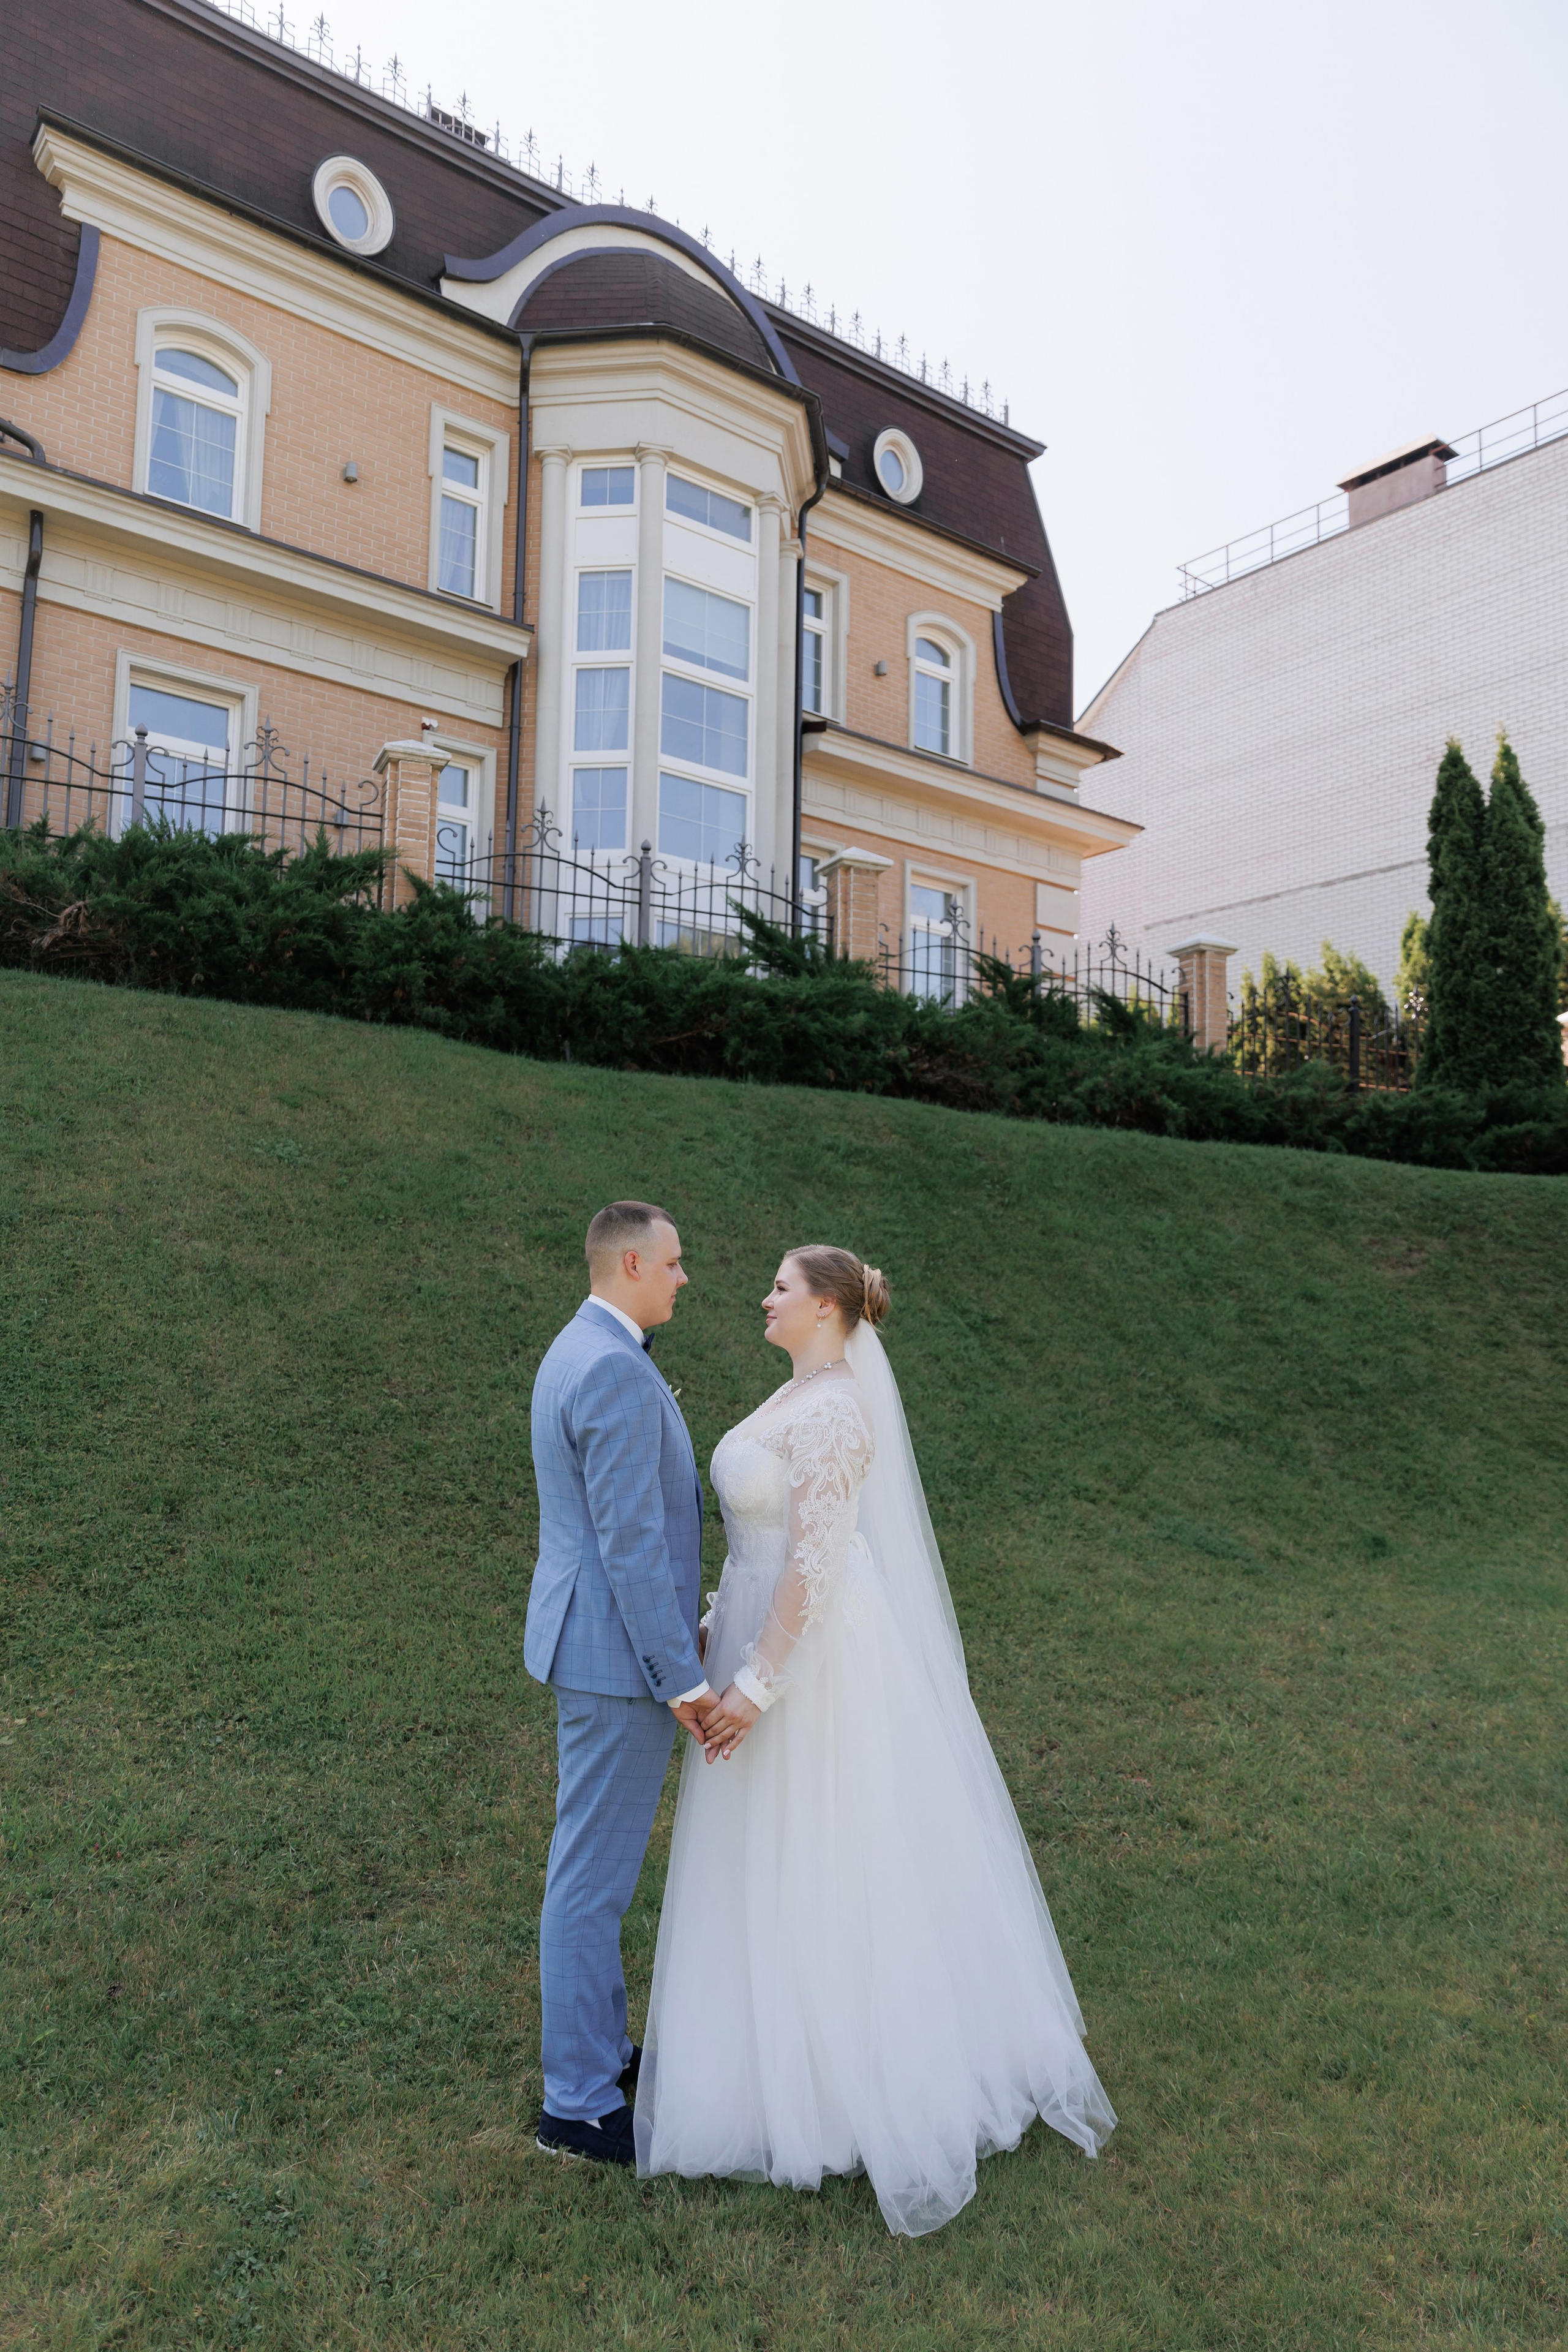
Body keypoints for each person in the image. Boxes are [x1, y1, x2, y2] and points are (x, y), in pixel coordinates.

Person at [634, 1245, 1116, 2235]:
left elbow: (815, 1566)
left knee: (833, 1854)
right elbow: (764, 1551)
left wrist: (759, 1684)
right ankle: (759, 2070)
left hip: (812, 1669)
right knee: (760, 1862)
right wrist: (719, 1621)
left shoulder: (840, 1411)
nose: (762, 1298)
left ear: (825, 1307)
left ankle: (850, 2089)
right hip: (753, 1639)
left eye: (780, 1287)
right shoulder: (791, 1398)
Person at [526, 1201, 725, 2166]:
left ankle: (601, 2054)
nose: (686, 1278)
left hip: (598, 1647)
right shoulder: (609, 1366)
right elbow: (632, 1545)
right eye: (677, 1263)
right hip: (614, 1664)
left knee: (591, 1874)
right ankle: (576, 2105)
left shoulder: (584, 1346)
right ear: (634, 1262)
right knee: (591, 1882)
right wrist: (680, 1678)